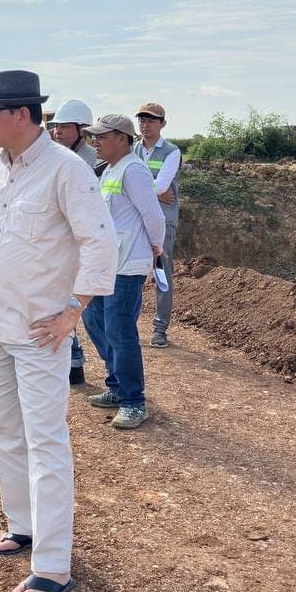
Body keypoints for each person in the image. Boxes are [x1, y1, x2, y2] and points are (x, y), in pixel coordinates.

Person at [0, 70, 117, 592]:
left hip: (40, 331)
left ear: (21, 114)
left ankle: (53, 564)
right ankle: (23, 524)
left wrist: (72, 312)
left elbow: (99, 242)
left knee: (46, 441)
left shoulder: (66, 169)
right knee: (5, 430)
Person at [82, 114, 166, 429]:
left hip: (128, 265)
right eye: (94, 137)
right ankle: (117, 384)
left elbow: (153, 215)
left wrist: (156, 248)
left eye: (101, 137)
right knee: (93, 319)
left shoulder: (134, 170)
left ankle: (133, 401)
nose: (95, 142)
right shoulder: (110, 170)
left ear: (122, 138)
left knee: (120, 330)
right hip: (107, 263)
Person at [47, 99, 97, 385]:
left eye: (64, 127)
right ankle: (74, 363)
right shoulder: (56, 158)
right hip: (61, 241)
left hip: (82, 243)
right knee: (62, 301)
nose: (58, 132)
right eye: (56, 127)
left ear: (82, 129)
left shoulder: (93, 161)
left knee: (82, 308)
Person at [134, 103, 182, 348]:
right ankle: (128, 324)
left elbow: (163, 186)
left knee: (161, 273)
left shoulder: (172, 152)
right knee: (130, 272)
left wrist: (140, 189)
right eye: (142, 120)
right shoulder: (133, 149)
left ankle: (160, 329)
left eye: (151, 120)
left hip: (163, 220)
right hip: (136, 219)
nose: (145, 124)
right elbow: (122, 181)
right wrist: (153, 192)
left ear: (162, 123)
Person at [48, 99, 97, 169]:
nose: (57, 131)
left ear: (83, 130)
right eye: (56, 126)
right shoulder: (52, 157)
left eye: (64, 126)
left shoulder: (96, 159)